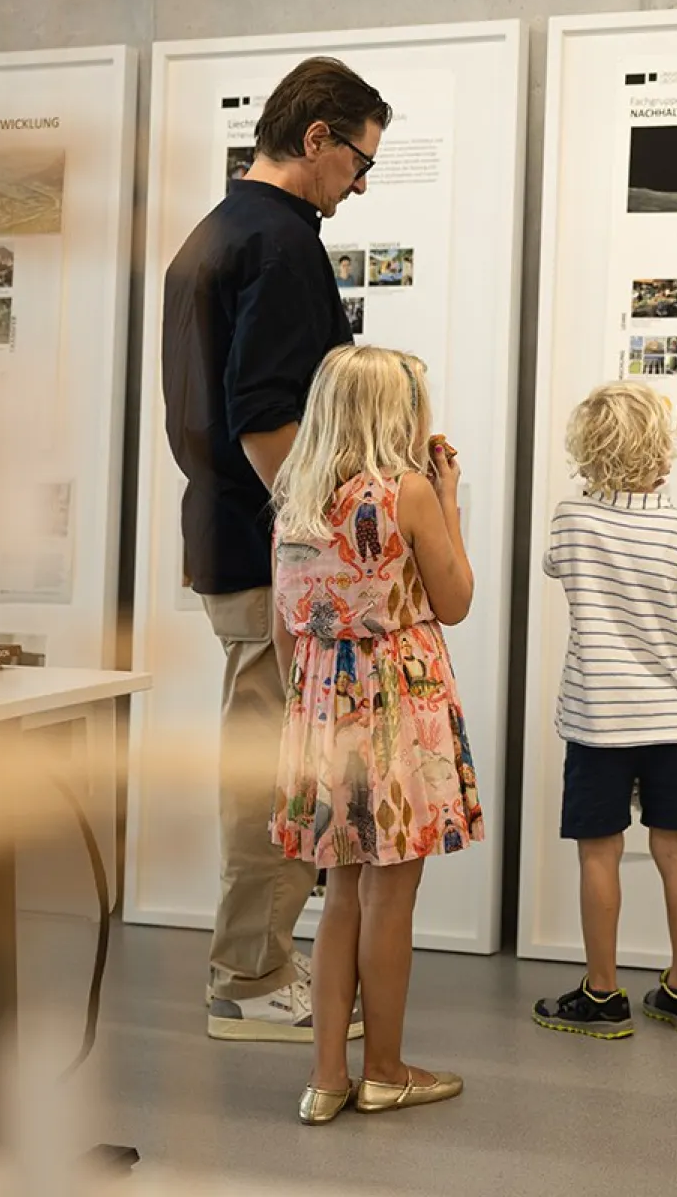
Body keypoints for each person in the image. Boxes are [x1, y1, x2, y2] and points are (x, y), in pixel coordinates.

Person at [161, 56, 390, 1044]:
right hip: (270, 559)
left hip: (227, 538)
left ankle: (255, 961)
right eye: (359, 160)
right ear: (315, 139)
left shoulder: (218, 232)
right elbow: (264, 417)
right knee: (275, 772)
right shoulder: (284, 245)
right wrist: (323, 545)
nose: (361, 182)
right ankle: (249, 981)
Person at [270, 345, 482, 1124]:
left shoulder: (296, 497)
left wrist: (311, 711)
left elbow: (286, 629)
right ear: (398, 414)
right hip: (399, 703)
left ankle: (326, 1078)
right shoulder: (409, 492)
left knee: (340, 897)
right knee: (393, 897)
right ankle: (386, 1071)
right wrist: (449, 498)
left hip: (323, 702)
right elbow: (454, 599)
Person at [532, 382, 677, 1040]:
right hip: (671, 720)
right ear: (662, 452)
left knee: (598, 854)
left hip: (597, 720)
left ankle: (603, 995)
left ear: (588, 452)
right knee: (675, 848)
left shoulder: (571, 519)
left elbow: (555, 567)